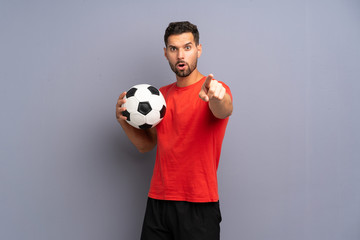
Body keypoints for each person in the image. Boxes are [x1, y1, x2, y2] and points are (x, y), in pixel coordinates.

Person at [116, 21, 233, 240]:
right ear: (166, 53)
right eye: (173, 49)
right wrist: (123, 121)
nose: (181, 55)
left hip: (199, 204)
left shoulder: (214, 89)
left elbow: (224, 109)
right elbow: (147, 145)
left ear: (198, 49)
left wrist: (217, 96)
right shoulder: (158, 97)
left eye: (187, 47)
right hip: (158, 202)